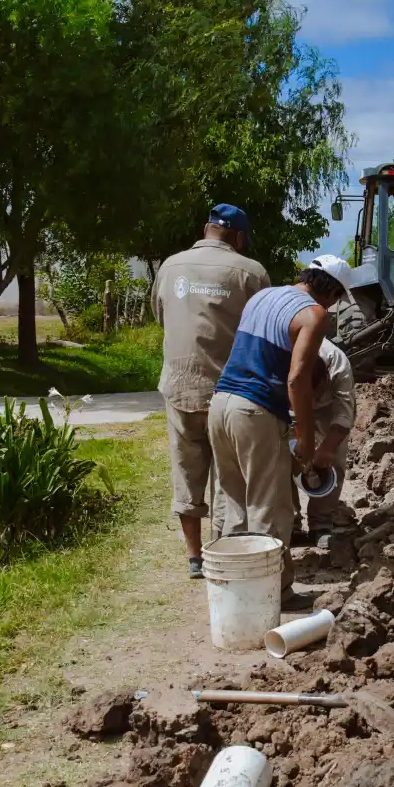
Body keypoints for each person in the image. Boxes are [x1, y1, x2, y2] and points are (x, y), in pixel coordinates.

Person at [209, 264, 347, 592]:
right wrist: (306, 439)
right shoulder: (314, 314)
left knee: (236, 503)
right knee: (269, 507)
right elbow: (297, 379)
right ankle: (273, 593)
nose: (330, 308)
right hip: (254, 411)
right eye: (335, 300)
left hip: (221, 403)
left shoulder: (262, 297)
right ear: (331, 291)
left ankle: (234, 590)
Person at [152, 203, 270, 579]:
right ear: (237, 236)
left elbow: (161, 314)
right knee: (228, 479)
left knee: (185, 472)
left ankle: (193, 559)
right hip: (230, 392)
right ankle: (224, 553)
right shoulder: (250, 273)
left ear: (206, 230)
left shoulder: (169, 267)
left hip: (179, 385)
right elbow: (263, 331)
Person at [290, 257, 357, 543]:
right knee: (283, 460)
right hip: (288, 405)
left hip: (326, 411)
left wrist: (326, 449)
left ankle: (321, 523)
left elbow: (344, 414)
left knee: (335, 457)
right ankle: (290, 521)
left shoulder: (337, 363)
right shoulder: (286, 353)